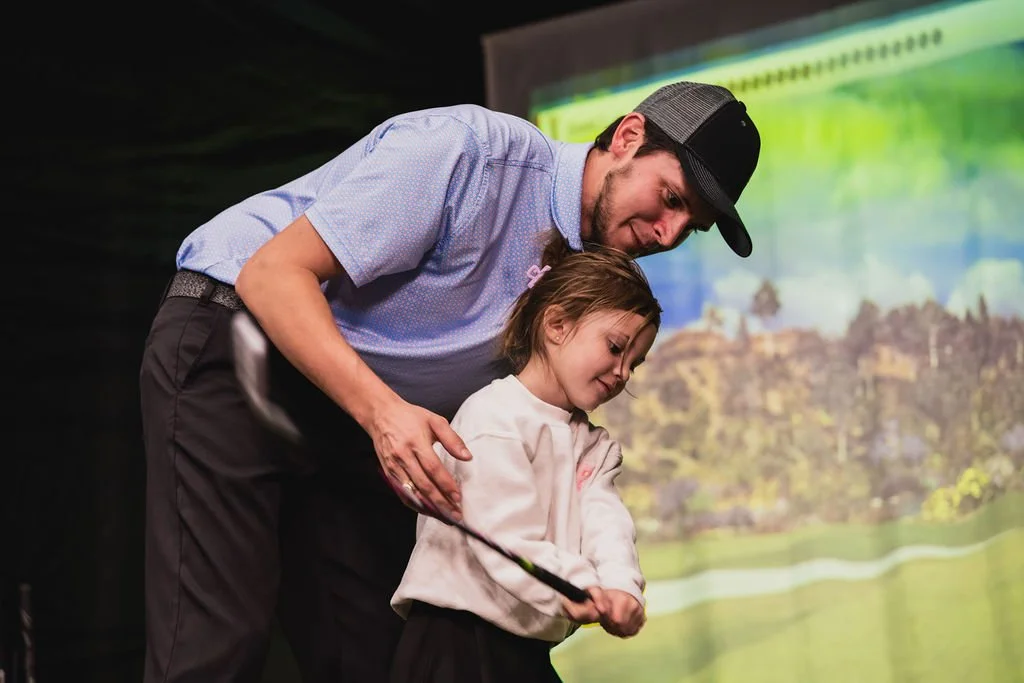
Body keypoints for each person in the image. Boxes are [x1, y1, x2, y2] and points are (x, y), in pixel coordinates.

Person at [138, 80, 760, 683]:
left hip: (348, 406)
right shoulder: (471, 154)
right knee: (216, 646)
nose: (669, 233)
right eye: (673, 199)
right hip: (236, 337)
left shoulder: (582, 280)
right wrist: (383, 415)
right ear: (627, 137)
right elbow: (270, 274)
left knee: (382, 657)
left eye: (692, 226)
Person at [389, 242, 659, 683]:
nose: (623, 372)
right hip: (455, 641)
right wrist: (579, 584)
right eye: (615, 348)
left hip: (523, 648)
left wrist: (620, 586)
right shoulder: (492, 417)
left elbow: (604, 520)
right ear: (556, 324)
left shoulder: (595, 446)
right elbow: (508, 532)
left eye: (635, 362)